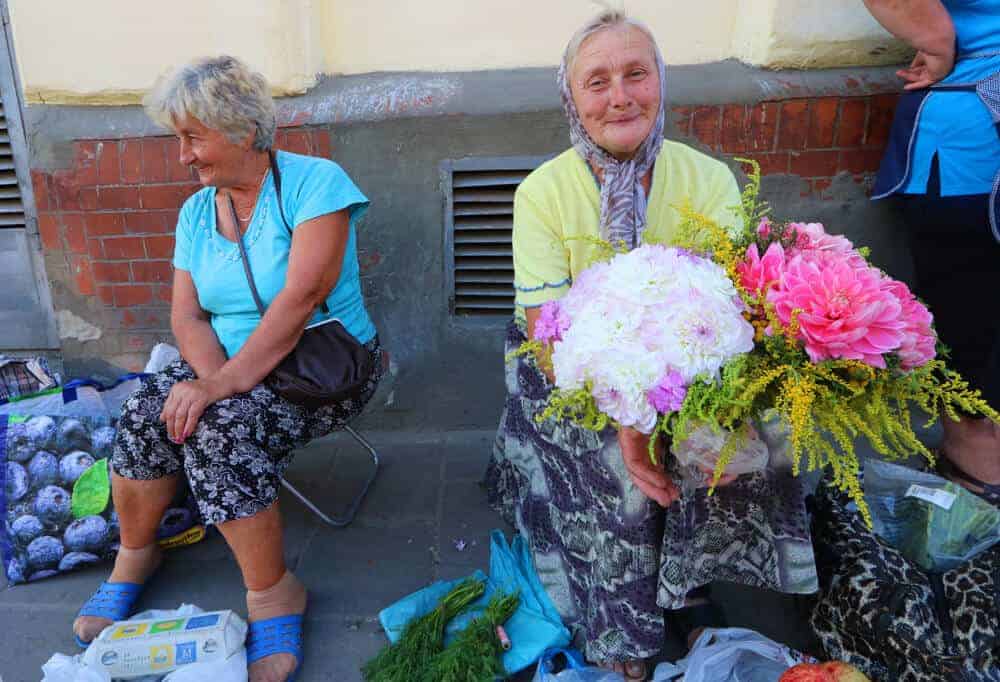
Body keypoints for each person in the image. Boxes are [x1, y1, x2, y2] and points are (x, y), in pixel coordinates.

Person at [485, 10, 816, 680]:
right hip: (571, 368)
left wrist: (693, 411)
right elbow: (551, 337)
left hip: (691, 367)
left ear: (660, 82)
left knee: (762, 434)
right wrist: (633, 421)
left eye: (637, 74)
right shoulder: (542, 194)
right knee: (617, 464)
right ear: (571, 99)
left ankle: (688, 581)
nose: (620, 96)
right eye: (598, 81)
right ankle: (621, 622)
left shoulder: (709, 180)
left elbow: (734, 312)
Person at [71, 56, 384, 682]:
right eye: (178, 138)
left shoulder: (316, 184)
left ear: (241, 128)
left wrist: (218, 389)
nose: (183, 155)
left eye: (193, 137)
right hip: (227, 366)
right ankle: (136, 555)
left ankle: (273, 592)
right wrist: (205, 381)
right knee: (144, 408)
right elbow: (186, 318)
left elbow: (299, 300)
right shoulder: (196, 212)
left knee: (222, 431)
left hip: (322, 367)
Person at [866, 0, 1000, 507]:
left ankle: (977, 474)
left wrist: (939, 43)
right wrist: (938, 40)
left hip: (971, 139)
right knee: (968, 312)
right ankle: (975, 467)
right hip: (973, 149)